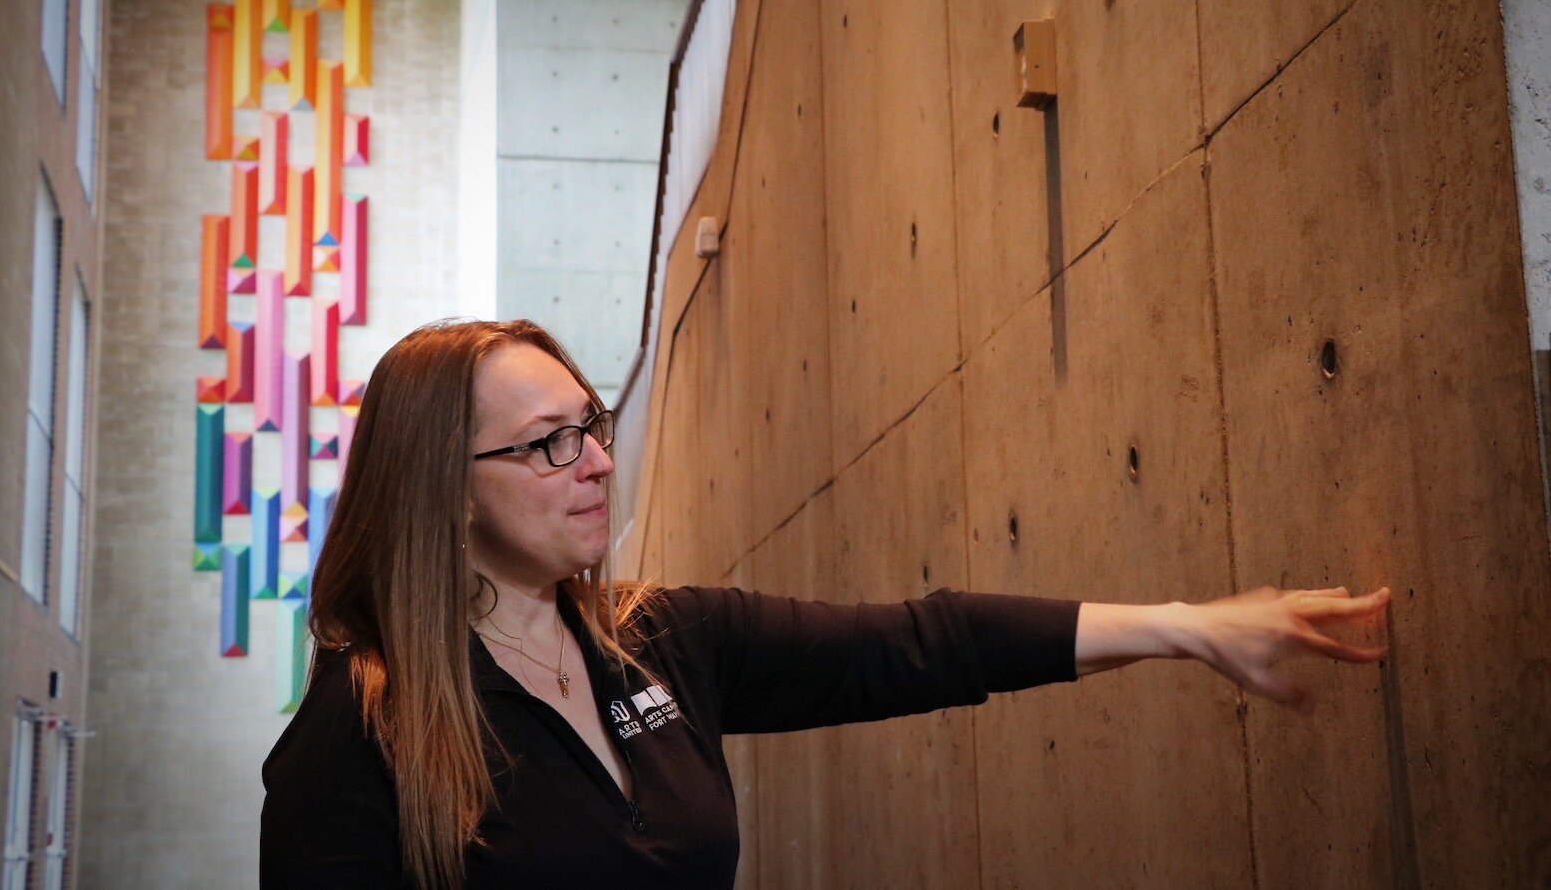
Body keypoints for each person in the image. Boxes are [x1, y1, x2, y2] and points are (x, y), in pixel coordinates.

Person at [259, 318, 1390, 888]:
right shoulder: (356, 742)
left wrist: (1185, 625)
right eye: (548, 443)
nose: (596, 459)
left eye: (592, 422)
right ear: (440, 494)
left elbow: (916, 643)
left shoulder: (657, 640)